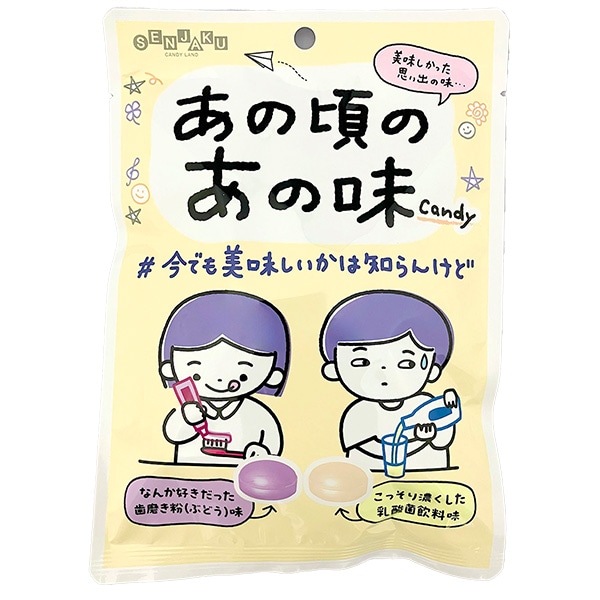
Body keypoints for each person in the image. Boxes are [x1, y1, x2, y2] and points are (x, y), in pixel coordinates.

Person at [320, 290, 458, 473]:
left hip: (430, 475)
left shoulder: (424, 404)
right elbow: (363, 447)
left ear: (432, 370)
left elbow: (443, 439)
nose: (383, 372)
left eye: (406, 363)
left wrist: (433, 432)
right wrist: (414, 435)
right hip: (368, 479)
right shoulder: (358, 412)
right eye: (361, 362)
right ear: (334, 369)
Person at [159, 290, 290, 466]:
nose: (219, 381)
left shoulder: (258, 414)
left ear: (273, 375)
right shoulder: (189, 409)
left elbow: (272, 443)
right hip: (189, 478)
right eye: (197, 373)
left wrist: (262, 452)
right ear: (169, 368)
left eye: (243, 374)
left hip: (246, 479)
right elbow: (173, 435)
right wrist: (188, 419)